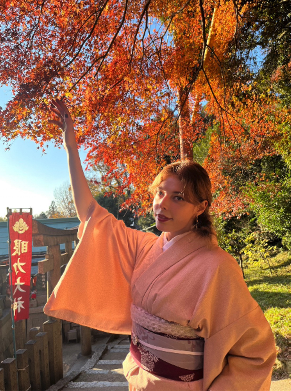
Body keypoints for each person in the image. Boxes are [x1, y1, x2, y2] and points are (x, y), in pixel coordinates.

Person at [45, 99, 276, 391]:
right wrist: (71, 148)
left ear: (200, 207)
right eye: (160, 193)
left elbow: (256, 352)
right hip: (140, 380)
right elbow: (92, 215)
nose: (162, 204)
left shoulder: (219, 267)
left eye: (178, 197)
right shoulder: (145, 246)